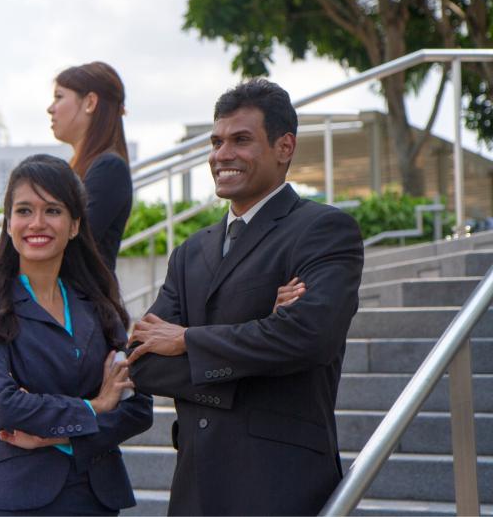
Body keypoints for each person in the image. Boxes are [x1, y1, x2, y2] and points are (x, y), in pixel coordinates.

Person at [127, 79, 364, 516]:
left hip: (279, 485)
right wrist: (263, 333)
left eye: (241, 140)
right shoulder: (190, 251)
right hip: (195, 488)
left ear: (284, 146)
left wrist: (187, 341)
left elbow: (309, 338)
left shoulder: (322, 231)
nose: (221, 155)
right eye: (216, 142)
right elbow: (143, 361)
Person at [0, 155, 153, 516]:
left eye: (52, 210)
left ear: (75, 225)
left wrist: (60, 434)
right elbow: (5, 405)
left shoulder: (101, 306)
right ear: (8, 222)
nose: (37, 223)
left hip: (95, 495)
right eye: (23, 210)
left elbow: (138, 409)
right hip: (15, 497)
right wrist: (93, 406)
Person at [48, 62, 132, 271]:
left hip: (85, 300)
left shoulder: (109, 168)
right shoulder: (87, 167)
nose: (50, 108)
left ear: (90, 102)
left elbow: (75, 244)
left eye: (59, 97)